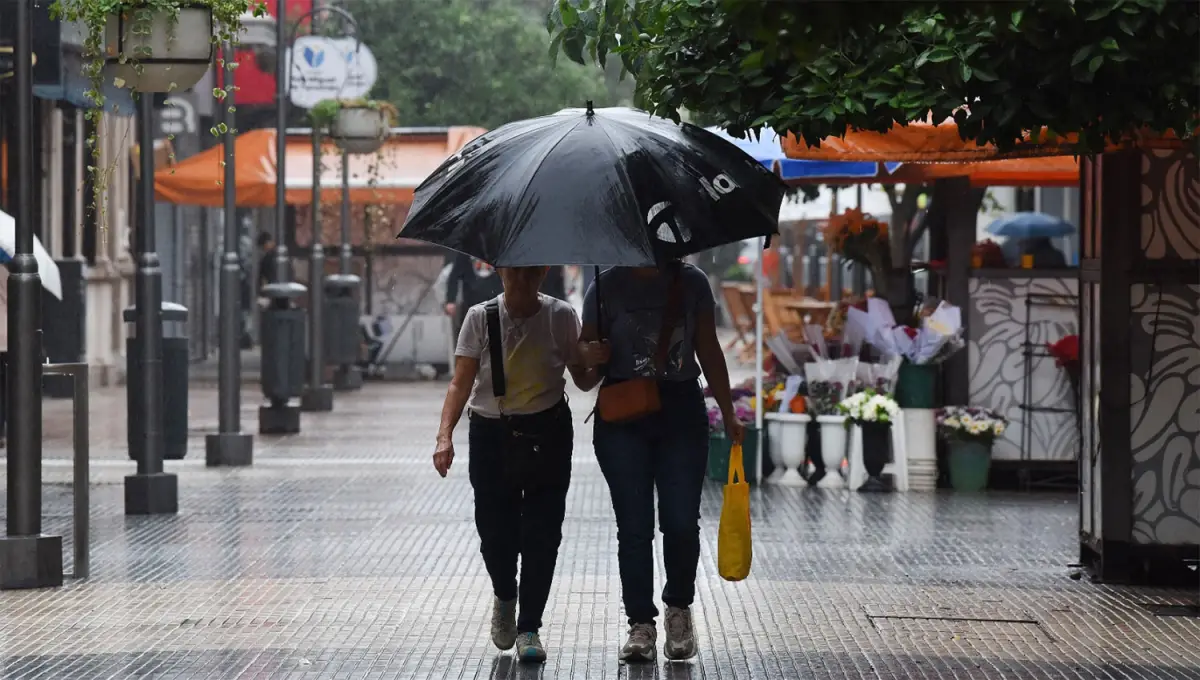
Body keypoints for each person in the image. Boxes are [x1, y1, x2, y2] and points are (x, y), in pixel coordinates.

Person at [574, 260, 743, 663]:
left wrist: (729, 411)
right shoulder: (603, 286)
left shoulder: (692, 282)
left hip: (681, 410)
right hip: (623, 413)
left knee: (681, 520)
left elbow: (709, 348)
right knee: (634, 526)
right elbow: (584, 377)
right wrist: (588, 355)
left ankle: (678, 610)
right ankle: (640, 625)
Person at [433, 266, 591, 663]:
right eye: (515, 271)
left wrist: (599, 360)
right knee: (494, 533)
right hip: (491, 434)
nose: (522, 279)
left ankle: (530, 626)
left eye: (531, 271)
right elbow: (460, 382)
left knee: (543, 533)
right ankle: (505, 593)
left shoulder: (561, 316)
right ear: (501, 270)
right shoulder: (480, 317)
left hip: (548, 434)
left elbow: (583, 379)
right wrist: (444, 435)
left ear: (544, 272)